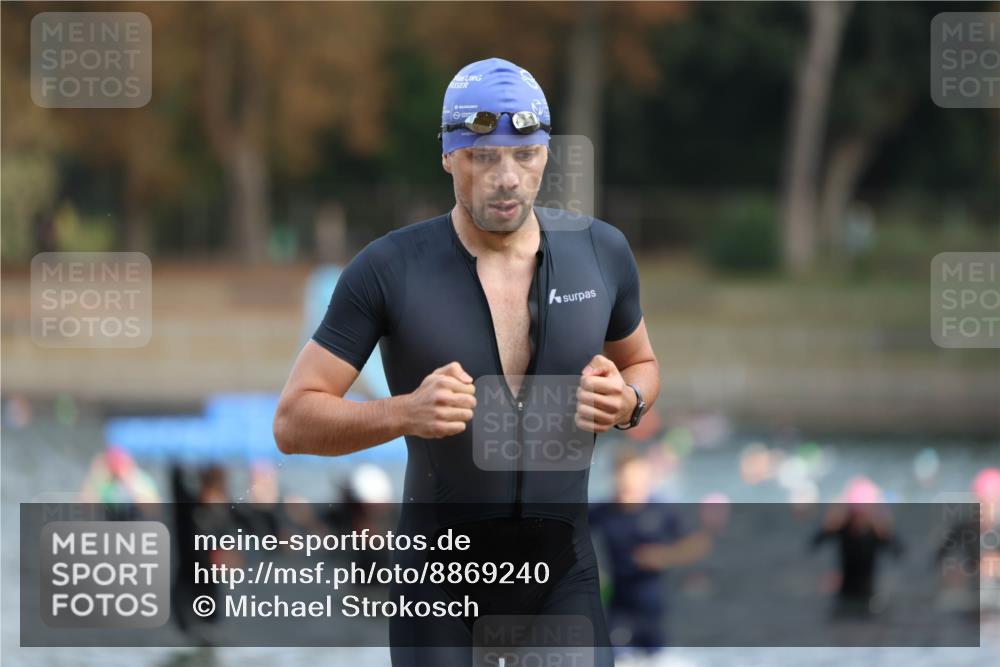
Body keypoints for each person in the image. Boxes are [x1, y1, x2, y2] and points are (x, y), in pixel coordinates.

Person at [275, 57, 660, 666]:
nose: (507, 177)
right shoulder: (389, 268)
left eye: (524, 155)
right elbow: (293, 422)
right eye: (485, 156)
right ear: (449, 156)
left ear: (546, 156)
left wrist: (629, 400)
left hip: (563, 579)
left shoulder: (601, 253)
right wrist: (405, 412)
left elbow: (640, 363)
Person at [589, 447, 710, 661]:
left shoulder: (662, 510)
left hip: (655, 602)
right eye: (626, 478)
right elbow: (571, 536)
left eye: (638, 478)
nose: (632, 485)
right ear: (616, 478)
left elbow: (697, 544)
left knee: (657, 658)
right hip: (619, 604)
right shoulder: (602, 511)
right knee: (616, 656)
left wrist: (666, 556)